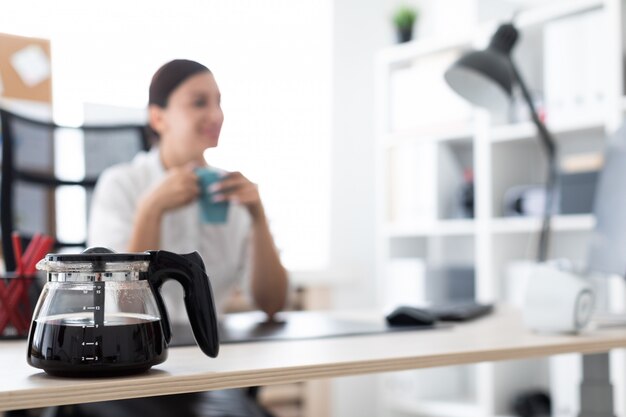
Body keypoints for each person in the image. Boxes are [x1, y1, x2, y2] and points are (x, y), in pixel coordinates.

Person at [88, 59, 288, 318]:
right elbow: (125, 307)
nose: (217, 115)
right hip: (142, 346)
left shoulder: (233, 191)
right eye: (199, 102)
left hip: (216, 346)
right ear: (158, 117)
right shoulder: (121, 185)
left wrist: (258, 218)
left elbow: (272, 303)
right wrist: (151, 210)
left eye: (219, 102)